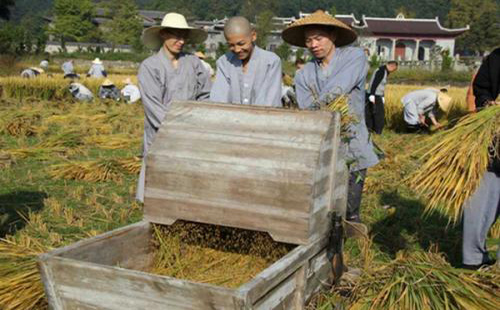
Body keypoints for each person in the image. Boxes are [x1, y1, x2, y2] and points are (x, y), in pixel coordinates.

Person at [282, 10, 379, 223]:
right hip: (322, 142)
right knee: (323, 199)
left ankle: (351, 236)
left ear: (333, 36)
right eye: (308, 40)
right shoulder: (304, 73)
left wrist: (318, 109)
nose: (313, 44)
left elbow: (339, 88)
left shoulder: (355, 57)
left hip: (352, 138)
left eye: (318, 38)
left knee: (350, 206)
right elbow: (308, 110)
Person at [137, 12, 211, 202]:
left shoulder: (194, 63)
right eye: (176, 35)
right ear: (163, 35)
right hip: (161, 133)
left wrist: (198, 121)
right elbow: (153, 106)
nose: (181, 41)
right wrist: (178, 128)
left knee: (187, 185)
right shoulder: (150, 66)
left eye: (184, 36)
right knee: (158, 185)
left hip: (193, 132)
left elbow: (205, 94)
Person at [462, 47, 499, 270]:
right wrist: (488, 103)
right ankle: (473, 258)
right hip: (493, 141)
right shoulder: (495, 58)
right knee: (481, 200)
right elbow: (481, 88)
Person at [209, 16, 282, 107]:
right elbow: (219, 100)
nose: (237, 49)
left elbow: (270, 102)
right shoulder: (224, 62)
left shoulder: (271, 62)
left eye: (241, 44)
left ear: (253, 36)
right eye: (231, 45)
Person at [365, 61, 398, 134]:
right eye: (394, 69)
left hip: (376, 94)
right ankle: (377, 131)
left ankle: (370, 129)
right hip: (375, 95)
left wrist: (383, 96)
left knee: (371, 112)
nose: (393, 71)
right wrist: (372, 95)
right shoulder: (381, 71)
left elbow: (381, 86)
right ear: (392, 66)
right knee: (379, 114)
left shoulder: (385, 71)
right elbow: (375, 82)